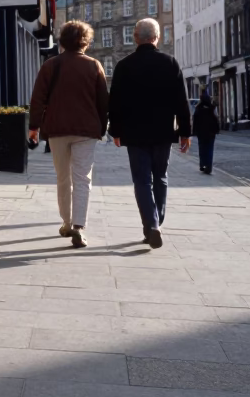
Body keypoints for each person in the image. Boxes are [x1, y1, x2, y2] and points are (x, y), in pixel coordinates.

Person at [107, 19, 191, 249]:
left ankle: (151, 225)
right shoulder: (170, 63)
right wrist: (185, 132)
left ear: (135, 38)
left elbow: (114, 102)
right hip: (163, 131)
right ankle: (156, 223)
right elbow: (181, 102)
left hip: (134, 133)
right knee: (160, 177)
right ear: (157, 38)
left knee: (142, 180)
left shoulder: (124, 66)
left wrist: (115, 130)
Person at [28, 21, 109, 249]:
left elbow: (38, 99)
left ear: (62, 40)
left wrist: (34, 126)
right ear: (85, 41)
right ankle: (79, 227)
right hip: (86, 130)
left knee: (63, 177)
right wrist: (102, 128)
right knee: (83, 179)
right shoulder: (94, 66)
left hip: (57, 129)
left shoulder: (51, 65)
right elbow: (103, 102)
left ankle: (66, 222)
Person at [193, 94, 220, 175]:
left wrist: (194, 131)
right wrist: (217, 130)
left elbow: (195, 120)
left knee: (202, 148)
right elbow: (216, 119)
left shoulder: (198, 108)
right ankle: (209, 166)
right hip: (211, 133)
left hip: (201, 133)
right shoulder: (212, 108)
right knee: (209, 149)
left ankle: (202, 165)